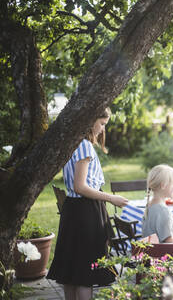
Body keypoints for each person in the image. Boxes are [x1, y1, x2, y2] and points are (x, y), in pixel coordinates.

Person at [47, 107, 129, 300]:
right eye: (101, 124)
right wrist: (111, 198)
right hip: (86, 212)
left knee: (72, 270)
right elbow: (80, 187)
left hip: (73, 210)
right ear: (90, 120)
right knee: (85, 273)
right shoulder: (84, 146)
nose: (102, 129)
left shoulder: (72, 144)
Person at [142, 164, 173, 243]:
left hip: (149, 252)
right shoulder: (164, 211)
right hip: (161, 254)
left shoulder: (150, 205)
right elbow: (169, 242)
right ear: (163, 185)